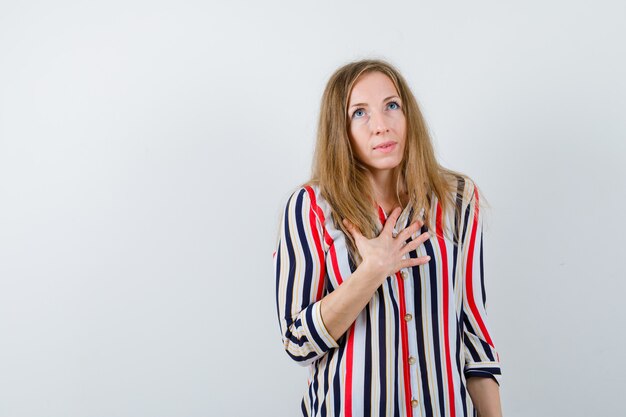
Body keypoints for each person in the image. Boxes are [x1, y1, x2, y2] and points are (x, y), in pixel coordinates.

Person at [273, 59, 503, 417]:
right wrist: (371, 272)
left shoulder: (457, 199)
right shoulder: (311, 208)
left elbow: (474, 335)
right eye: (359, 113)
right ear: (340, 130)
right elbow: (298, 342)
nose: (381, 126)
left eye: (391, 106)